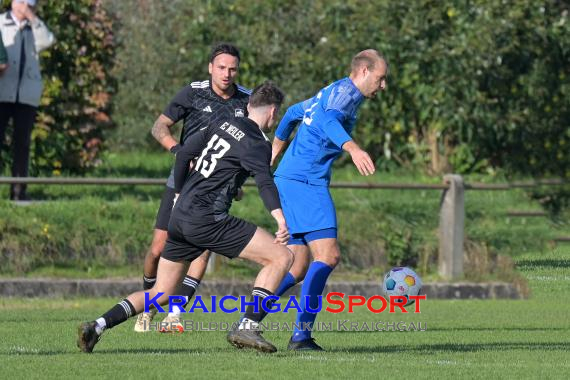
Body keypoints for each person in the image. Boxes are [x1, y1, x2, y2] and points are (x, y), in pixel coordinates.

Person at [77, 81, 293, 354]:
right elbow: (265, 182)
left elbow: (183, 156)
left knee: (161, 292)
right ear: (273, 112)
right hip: (207, 218)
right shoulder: (256, 143)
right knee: (281, 257)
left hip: (179, 216)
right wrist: (280, 218)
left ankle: (96, 326)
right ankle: (248, 325)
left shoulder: (220, 123)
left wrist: (178, 192)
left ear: (249, 105)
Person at [271, 49, 388, 351]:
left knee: (296, 268)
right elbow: (327, 120)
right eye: (380, 78)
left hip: (290, 178)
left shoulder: (333, 89)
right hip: (305, 182)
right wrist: (353, 148)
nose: (383, 85)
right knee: (329, 256)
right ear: (364, 72)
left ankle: (251, 313)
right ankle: (301, 336)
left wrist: (274, 153)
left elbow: (293, 113)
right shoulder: (345, 96)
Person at [134, 43, 251, 332]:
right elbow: (159, 127)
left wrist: (238, 182)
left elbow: (252, 147)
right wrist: (178, 151)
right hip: (182, 180)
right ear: (211, 67)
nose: (227, 73)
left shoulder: (247, 101)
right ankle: (149, 306)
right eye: (221, 67)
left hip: (217, 185)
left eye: (232, 68)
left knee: (202, 248)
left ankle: (175, 313)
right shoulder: (193, 92)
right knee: (158, 248)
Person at [0, 0, 55, 200]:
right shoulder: (1, 23)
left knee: (22, 144)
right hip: (2, 92)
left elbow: (47, 41)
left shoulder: (36, 26)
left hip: (26, 95)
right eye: (21, 2)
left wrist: (32, 18)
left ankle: (18, 192)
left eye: (28, 4)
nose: (24, 7)